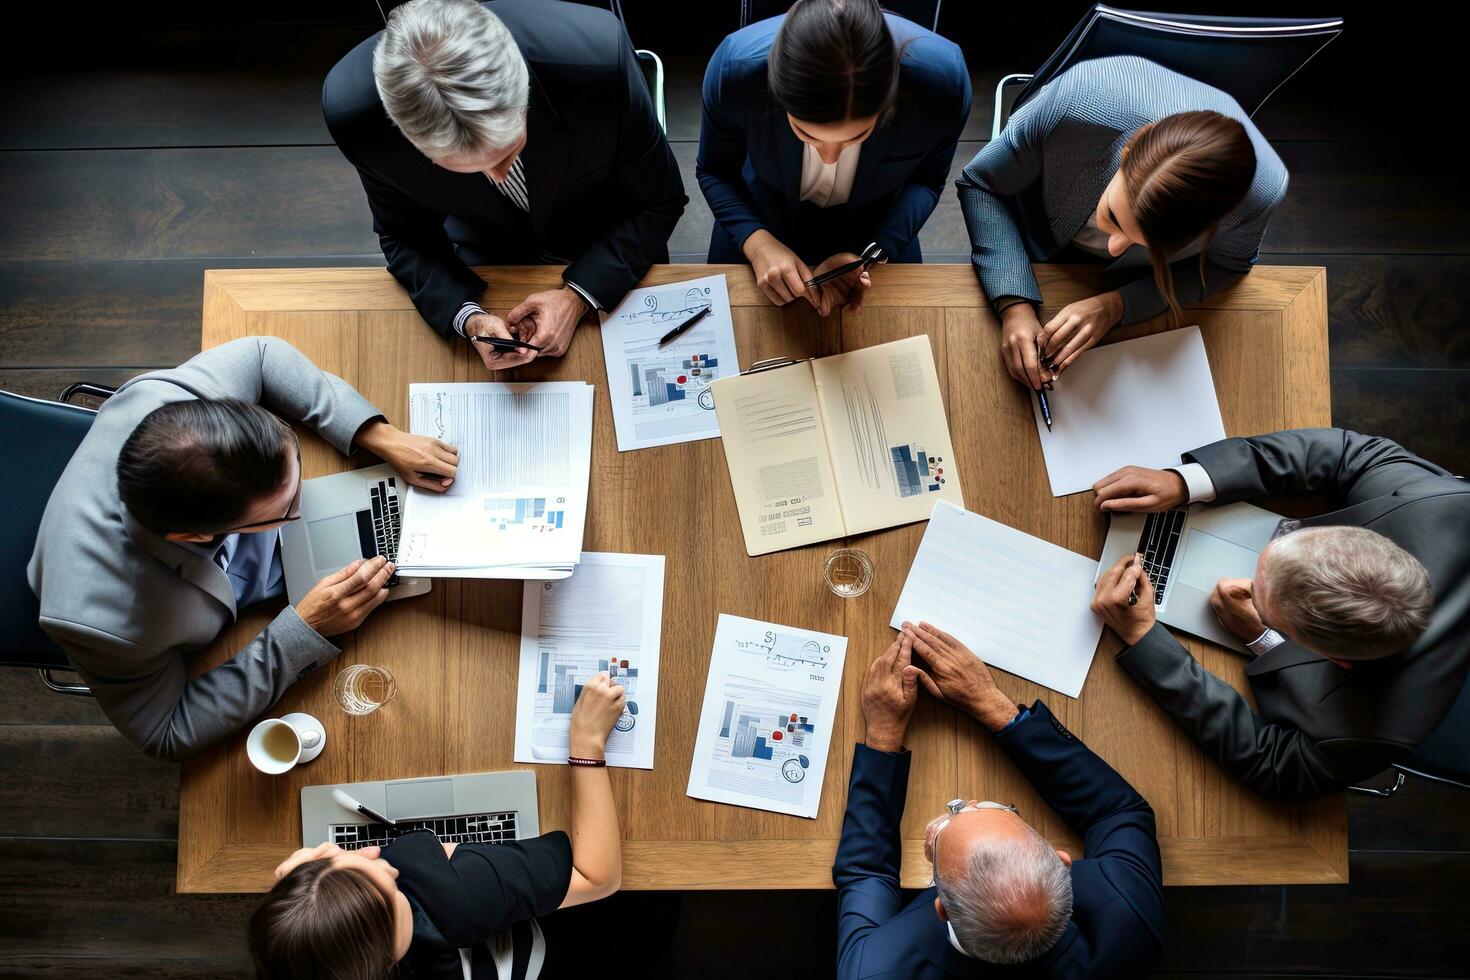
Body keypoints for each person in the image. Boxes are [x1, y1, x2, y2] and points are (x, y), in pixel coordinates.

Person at [27, 337, 458, 762]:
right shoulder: (102, 624)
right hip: (202, 611)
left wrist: (376, 435)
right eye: (286, 509)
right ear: (197, 536)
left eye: (296, 478)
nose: (303, 502)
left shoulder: (165, 403)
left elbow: (262, 355)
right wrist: (302, 631)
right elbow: (164, 732)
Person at [1089, 428, 1468, 800]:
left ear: (1335, 660)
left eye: (1264, 604)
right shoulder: (1437, 502)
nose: (1239, 581)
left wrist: (1148, 636)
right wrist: (1188, 483)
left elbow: (1275, 768)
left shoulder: (1376, 732)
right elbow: (1346, 452)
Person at [323, 0, 686, 374]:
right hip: (482, 241)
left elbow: (659, 202)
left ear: (523, 97)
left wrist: (578, 296)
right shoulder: (356, 117)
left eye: (507, 155)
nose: (497, 178)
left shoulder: (596, 65)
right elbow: (403, 235)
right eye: (462, 168)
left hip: (608, 233)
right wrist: (469, 318)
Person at [835, 622, 1165, 978]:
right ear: (1061, 862)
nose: (969, 804)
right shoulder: (1129, 922)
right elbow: (1117, 811)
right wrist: (992, 706)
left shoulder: (874, 967)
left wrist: (882, 737)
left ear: (942, 907)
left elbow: (865, 872)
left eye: (950, 819)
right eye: (1002, 811)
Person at [250, 672, 626, 979]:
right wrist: (587, 742)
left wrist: (305, 903)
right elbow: (597, 877)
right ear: (395, 946)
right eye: (390, 886)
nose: (378, 855)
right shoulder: (452, 899)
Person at [956, 56, 1288, 390]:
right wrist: (1014, 304)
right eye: (1114, 216)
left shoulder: (1259, 196)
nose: (1113, 247)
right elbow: (980, 184)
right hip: (1036, 228)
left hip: (1131, 281)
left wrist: (1117, 305)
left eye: (1148, 243)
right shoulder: (1075, 104)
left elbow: (1226, 267)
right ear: (1128, 151)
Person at [697, 0, 970, 315]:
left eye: (857, 136)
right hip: (760, 212)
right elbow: (715, 171)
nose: (829, 159)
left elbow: (926, 180)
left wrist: (868, 254)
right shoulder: (735, 70)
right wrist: (758, 245)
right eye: (807, 134)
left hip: (877, 224)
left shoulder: (942, 86)